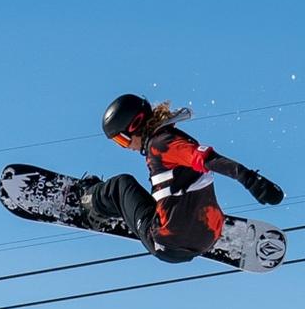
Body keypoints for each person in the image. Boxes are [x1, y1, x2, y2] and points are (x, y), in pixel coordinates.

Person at [76, 94, 284, 264]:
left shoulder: (162, 144)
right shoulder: (171, 138)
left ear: (135, 126)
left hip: (166, 243)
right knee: (159, 197)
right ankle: (119, 209)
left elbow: (207, 158)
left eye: (122, 140)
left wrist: (251, 180)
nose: (126, 147)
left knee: (121, 185)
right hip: (207, 239)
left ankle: (90, 202)